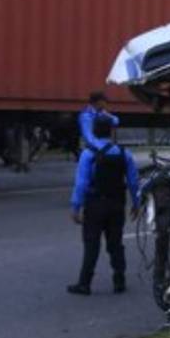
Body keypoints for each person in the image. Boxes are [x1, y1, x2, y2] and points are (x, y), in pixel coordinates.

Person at [67, 115, 140, 296]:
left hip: (94, 204)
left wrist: (76, 207)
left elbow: (81, 183)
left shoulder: (88, 154)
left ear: (93, 132)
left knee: (91, 243)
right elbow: (133, 181)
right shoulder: (124, 154)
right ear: (111, 131)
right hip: (116, 204)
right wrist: (137, 203)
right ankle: (119, 280)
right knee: (115, 243)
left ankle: (84, 283)